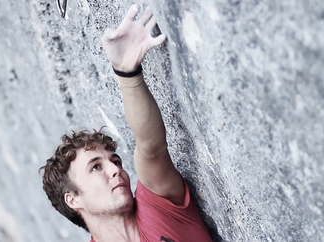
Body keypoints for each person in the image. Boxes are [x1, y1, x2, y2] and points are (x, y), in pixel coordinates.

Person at [40, 4, 212, 242]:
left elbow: (151, 148)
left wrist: (127, 74)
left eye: (116, 161)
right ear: (73, 199)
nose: (116, 171)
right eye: (95, 167)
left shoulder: (158, 208)